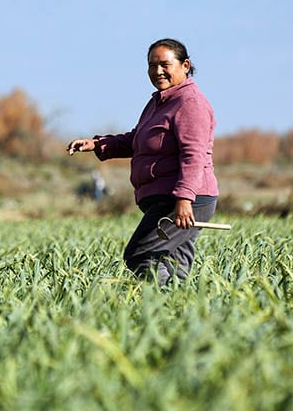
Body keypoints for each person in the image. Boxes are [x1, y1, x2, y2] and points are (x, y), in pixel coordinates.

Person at [67, 38, 219, 287]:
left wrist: (184, 199)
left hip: (183, 198)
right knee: (172, 264)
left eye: (164, 64)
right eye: (151, 65)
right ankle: (177, 314)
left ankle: (159, 304)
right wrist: (97, 144)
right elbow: (137, 140)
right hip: (172, 197)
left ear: (185, 65)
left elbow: (194, 156)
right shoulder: (159, 102)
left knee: (141, 254)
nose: (157, 71)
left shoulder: (190, 103)